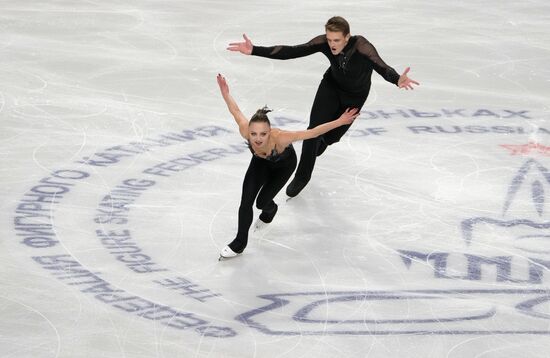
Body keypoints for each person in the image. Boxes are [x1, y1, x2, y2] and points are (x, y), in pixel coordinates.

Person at [227, 16, 419, 197]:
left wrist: (396, 79)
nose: (332, 44)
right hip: (331, 87)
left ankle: (322, 142)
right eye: (329, 39)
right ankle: (302, 176)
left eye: (336, 40)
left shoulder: (362, 46)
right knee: (313, 130)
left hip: (355, 96)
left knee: (332, 137)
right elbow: (292, 51)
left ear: (347, 37)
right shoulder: (324, 43)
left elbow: (380, 65)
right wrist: (255, 50)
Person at [216, 74, 359, 259]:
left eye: (263, 134)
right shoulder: (245, 130)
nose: (258, 139)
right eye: (254, 134)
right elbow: (235, 111)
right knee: (246, 202)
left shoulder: (281, 137)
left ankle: (271, 210)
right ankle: (240, 242)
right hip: (260, 164)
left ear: (269, 132)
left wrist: (339, 122)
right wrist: (225, 93)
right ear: (248, 132)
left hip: (284, 166)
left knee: (262, 203)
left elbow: (312, 132)